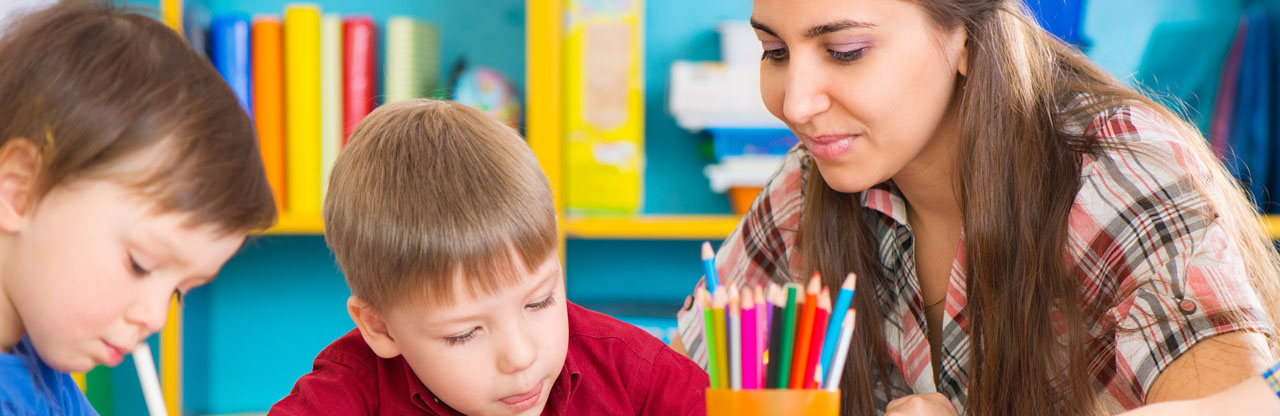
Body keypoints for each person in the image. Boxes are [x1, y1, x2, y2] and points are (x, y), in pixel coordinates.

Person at [675, 0, 1280, 414]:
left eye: (847, 50)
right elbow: (668, 384)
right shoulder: (808, 186)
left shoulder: (1115, 170)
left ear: (965, 36)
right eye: (775, 52)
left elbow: (1244, 402)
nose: (796, 103)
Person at [270, 100, 708, 416]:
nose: (520, 356)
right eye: (464, 334)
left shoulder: (631, 371)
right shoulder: (352, 391)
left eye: (538, 303)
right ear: (380, 327)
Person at [0, 3, 277, 414]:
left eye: (177, 293)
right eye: (140, 264)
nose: (154, 318)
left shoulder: (46, 379)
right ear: (20, 189)